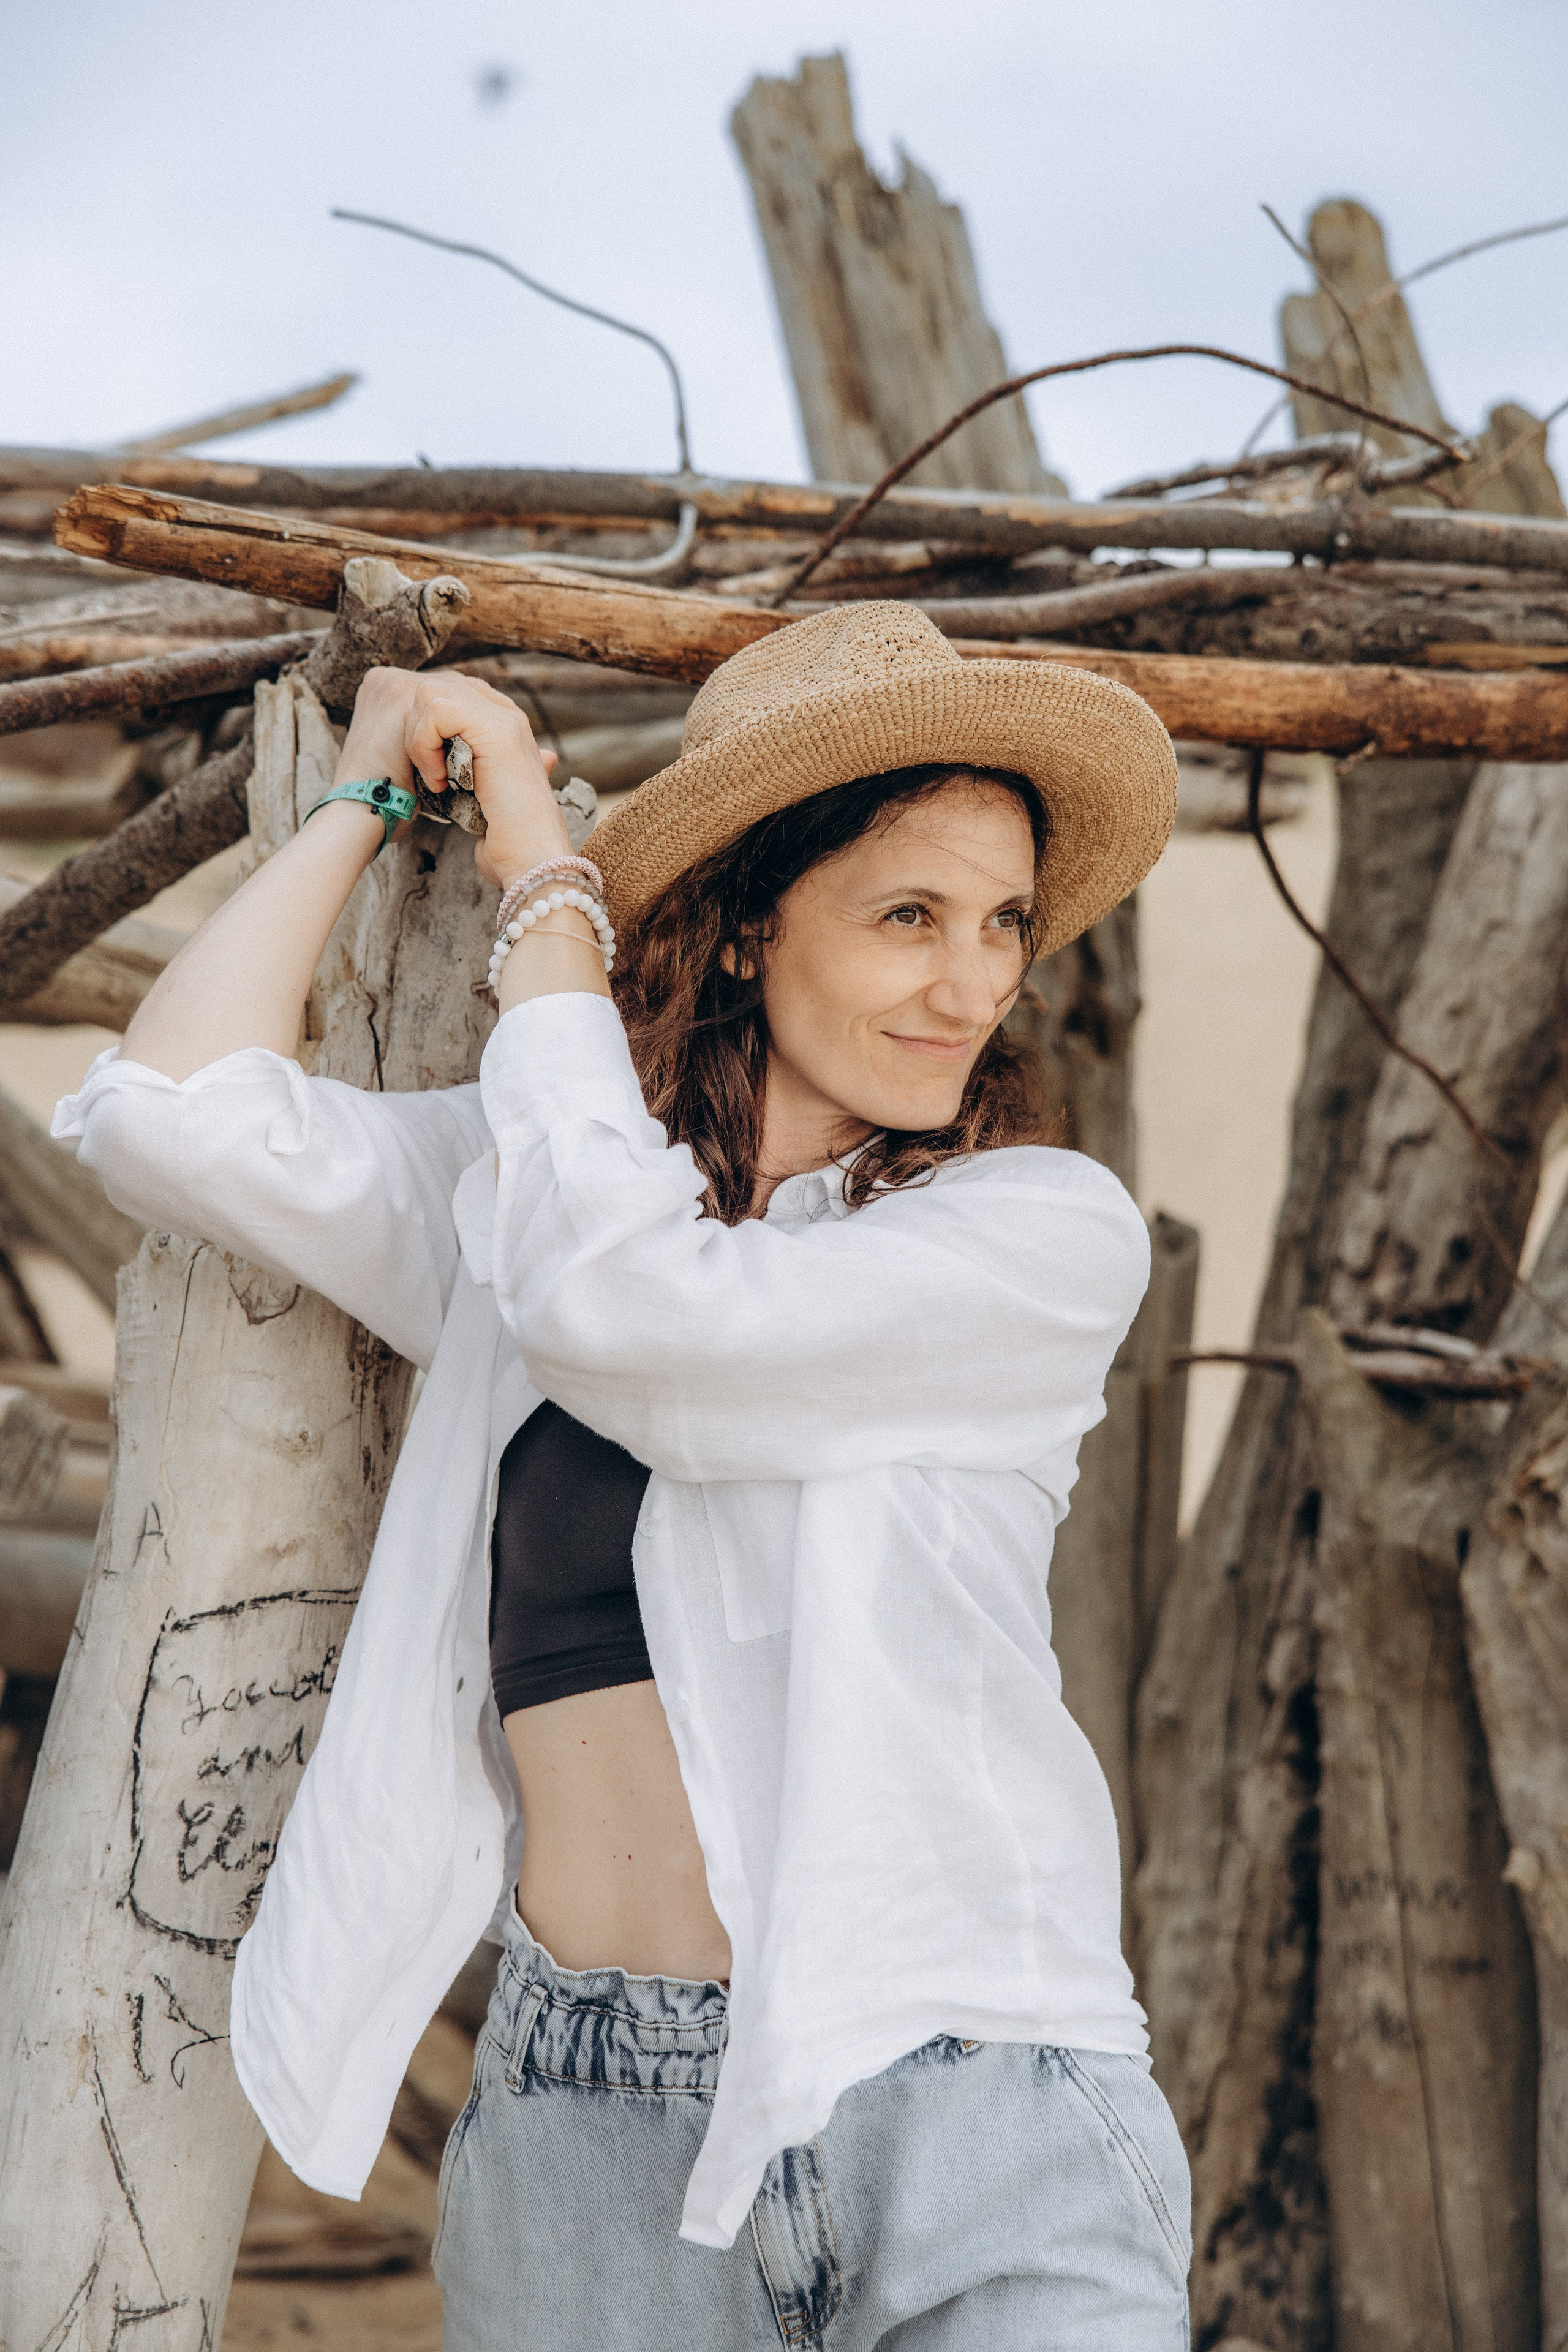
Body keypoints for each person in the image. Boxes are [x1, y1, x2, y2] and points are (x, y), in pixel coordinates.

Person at [58, 603, 1188, 2348]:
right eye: (910, 917)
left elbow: (639, 1320)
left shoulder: (1032, 1235)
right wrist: (362, 793)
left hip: (972, 2081)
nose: (973, 985)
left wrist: (546, 883)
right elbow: (169, 1109)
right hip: (597, 2121)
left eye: (1003, 926)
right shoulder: (542, 1196)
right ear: (746, 930)